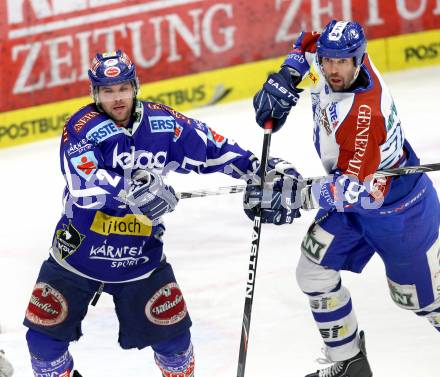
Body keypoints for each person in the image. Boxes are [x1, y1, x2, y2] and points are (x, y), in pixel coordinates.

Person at [22, 50, 295, 377]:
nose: (117, 98)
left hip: (139, 255)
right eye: (107, 91)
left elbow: (211, 147)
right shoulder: (81, 127)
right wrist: (128, 187)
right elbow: (83, 180)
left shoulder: (162, 123)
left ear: (135, 86)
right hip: (78, 252)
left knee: (176, 346)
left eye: (123, 88)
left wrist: (259, 170)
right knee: (42, 344)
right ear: (95, 94)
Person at [248, 20, 440, 377]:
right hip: (359, 201)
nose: (333, 70)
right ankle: (350, 364)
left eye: (342, 62)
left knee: (425, 302)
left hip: (399, 213)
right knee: (314, 272)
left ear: (359, 59)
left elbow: (350, 192)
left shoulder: (365, 117)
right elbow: (306, 41)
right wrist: (287, 76)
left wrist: (297, 194)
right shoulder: (330, 55)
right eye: (327, 61)